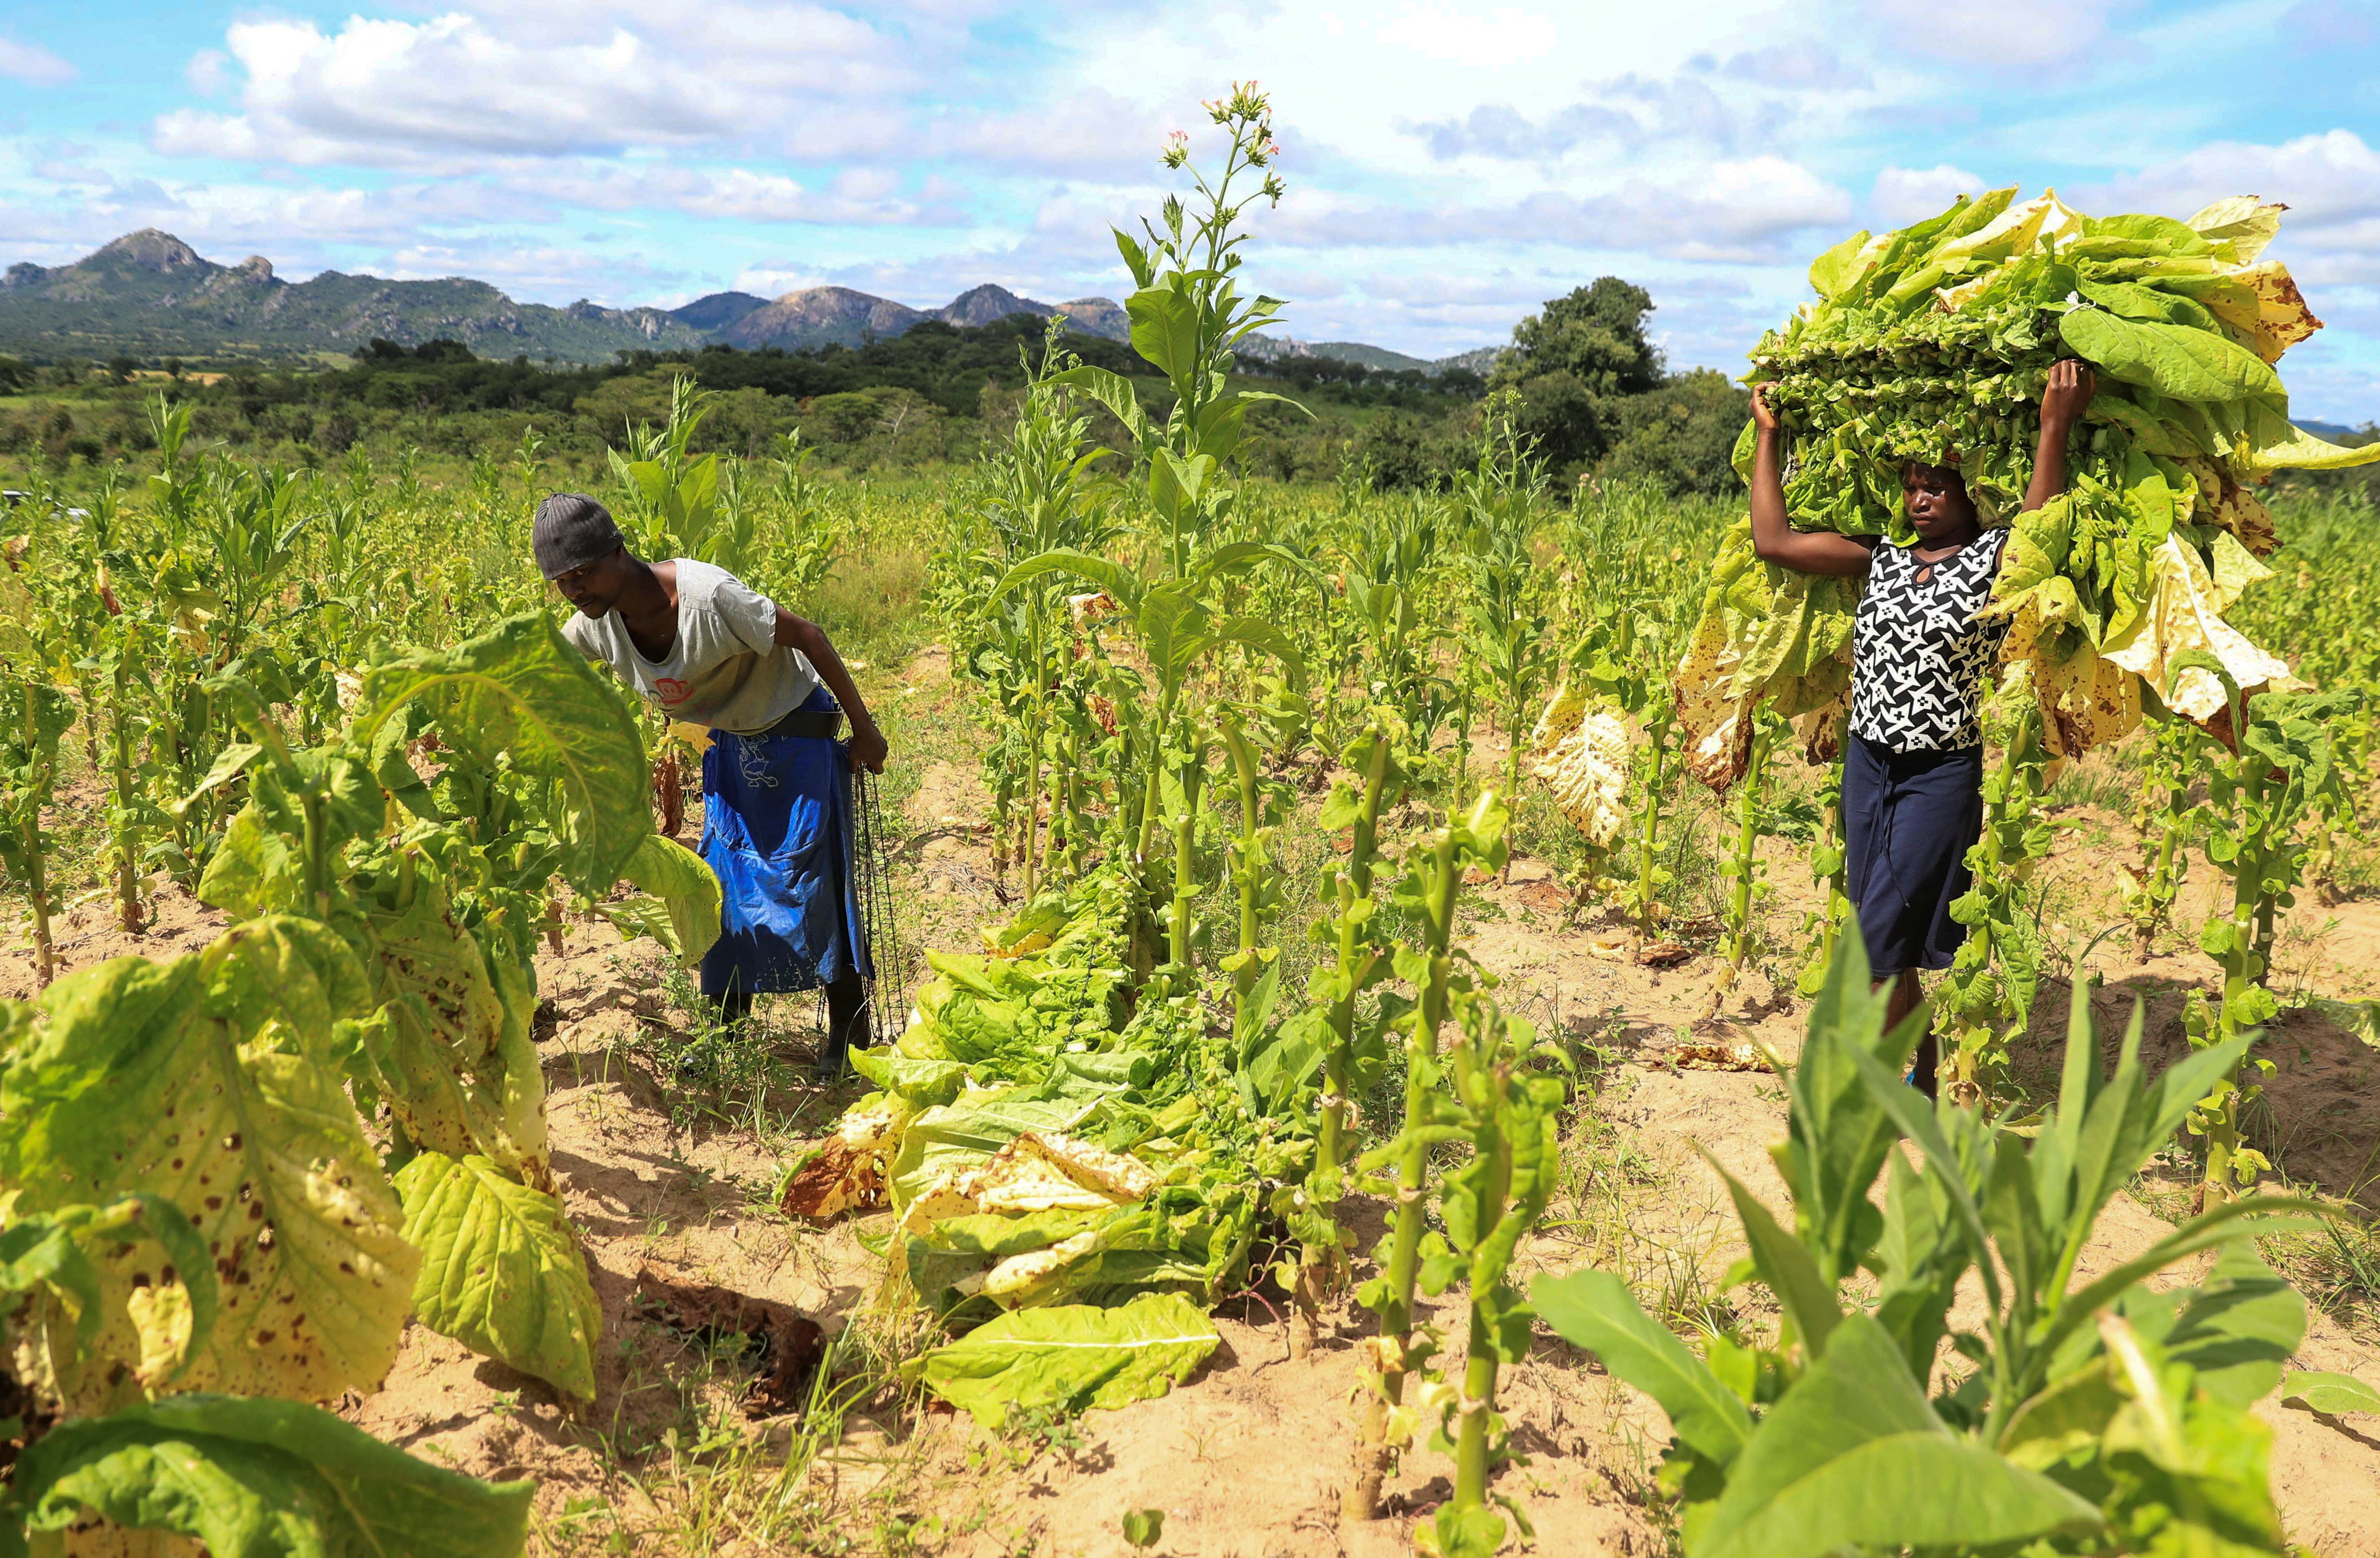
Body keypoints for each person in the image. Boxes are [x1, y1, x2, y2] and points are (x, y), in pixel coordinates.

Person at [1745, 359, 2095, 1094]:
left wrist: (2052, 425)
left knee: (1874, 932)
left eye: (1934, 486)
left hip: (1937, 775)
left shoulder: (1992, 558)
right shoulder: (1879, 559)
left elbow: (2040, 523)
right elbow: (1772, 543)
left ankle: (1834, 1083)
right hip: (1867, 766)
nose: (1919, 500)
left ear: (1969, 492)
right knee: (1889, 937)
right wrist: (1765, 435)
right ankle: (1924, 1074)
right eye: (1910, 487)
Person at [532, 493, 889, 1078]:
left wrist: (865, 730)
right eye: (561, 581)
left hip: (797, 739)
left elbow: (811, 636)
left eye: (584, 572)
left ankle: (848, 1029)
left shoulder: (707, 598)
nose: (575, 589)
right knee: (717, 889)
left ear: (619, 552)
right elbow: (540, 671)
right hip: (731, 750)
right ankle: (726, 1031)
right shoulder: (595, 626)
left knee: (811, 882)